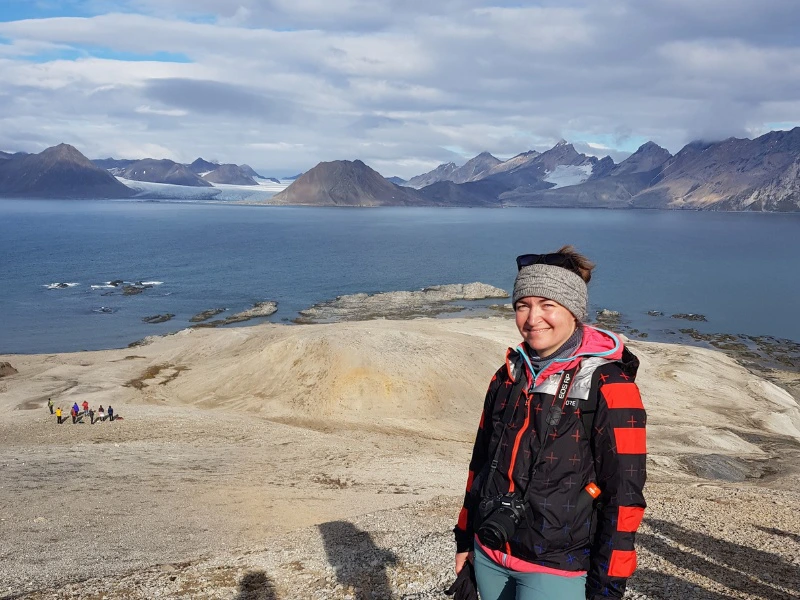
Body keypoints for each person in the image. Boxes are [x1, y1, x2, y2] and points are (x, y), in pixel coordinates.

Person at [453, 247, 646, 600]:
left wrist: (607, 587)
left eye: (547, 304)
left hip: (557, 567)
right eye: (522, 305)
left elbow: (624, 495)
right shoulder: (507, 376)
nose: (532, 318)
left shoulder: (609, 385)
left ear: (573, 310)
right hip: (490, 551)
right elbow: (479, 464)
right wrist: (465, 539)